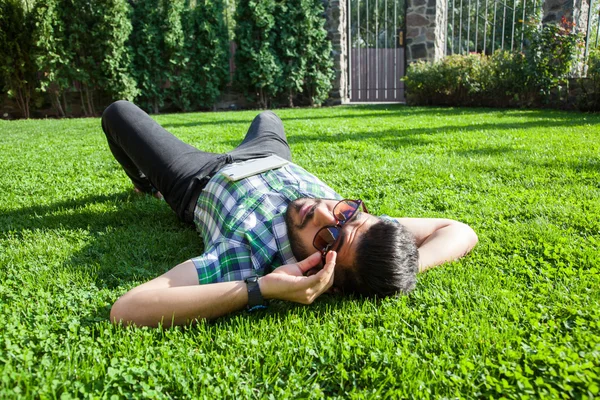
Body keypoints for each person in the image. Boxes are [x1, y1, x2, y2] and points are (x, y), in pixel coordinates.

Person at [102, 100, 478, 327]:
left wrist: (259, 289)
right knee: (268, 117)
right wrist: (408, 265)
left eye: (329, 238)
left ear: (322, 271)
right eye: (347, 213)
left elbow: (128, 308)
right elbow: (458, 229)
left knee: (118, 113)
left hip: (199, 177)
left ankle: (146, 184)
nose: (326, 213)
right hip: (268, 156)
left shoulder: (248, 256)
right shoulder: (367, 231)